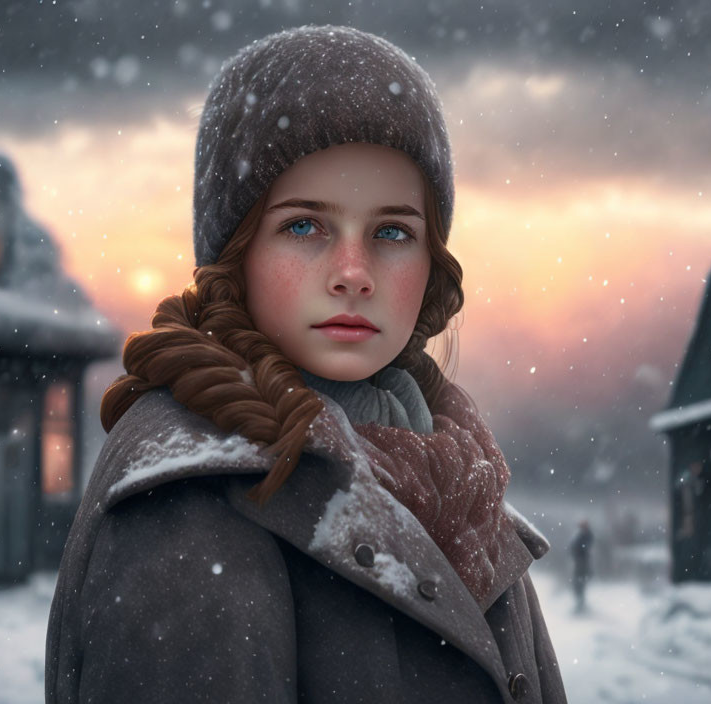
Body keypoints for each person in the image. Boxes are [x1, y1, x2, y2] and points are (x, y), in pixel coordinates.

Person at [45, 25, 567, 704]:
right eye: (303, 226)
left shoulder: (466, 492)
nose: (353, 273)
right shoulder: (185, 505)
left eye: (391, 232)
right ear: (237, 253)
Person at [569, 519, 594, 613]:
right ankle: (579, 604)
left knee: (580, 584)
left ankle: (581, 605)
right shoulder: (581, 536)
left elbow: (582, 549)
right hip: (580, 564)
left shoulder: (585, 536)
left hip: (582, 564)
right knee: (578, 584)